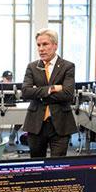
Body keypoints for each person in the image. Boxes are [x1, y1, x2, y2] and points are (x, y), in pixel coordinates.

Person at [21, 29, 77, 158]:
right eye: (38, 45)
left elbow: (68, 94)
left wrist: (38, 92)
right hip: (36, 124)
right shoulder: (32, 67)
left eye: (45, 44)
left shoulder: (67, 66)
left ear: (55, 45)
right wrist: (52, 89)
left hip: (60, 124)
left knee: (57, 166)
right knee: (37, 164)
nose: (41, 49)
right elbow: (26, 92)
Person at [0, 70, 23, 144]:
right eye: (7, 79)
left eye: (10, 79)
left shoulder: (14, 87)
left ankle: (13, 135)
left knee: (22, 117)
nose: (9, 80)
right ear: (3, 78)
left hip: (11, 107)